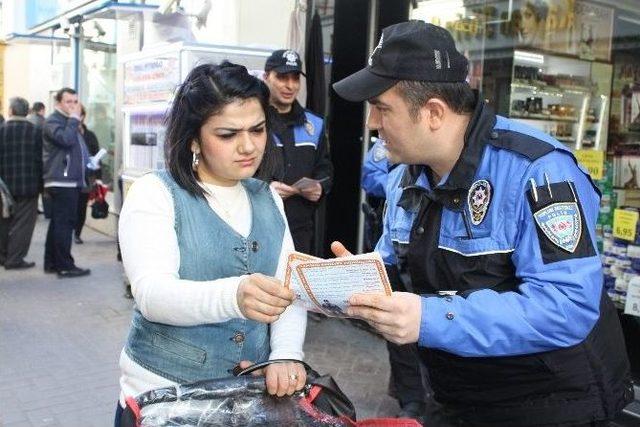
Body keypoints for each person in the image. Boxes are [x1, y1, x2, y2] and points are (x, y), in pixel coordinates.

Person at [332, 21, 632, 426]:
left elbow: (567, 307)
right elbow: (396, 262)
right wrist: (352, 282)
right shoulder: (405, 176)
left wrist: (430, 318)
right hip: (454, 394)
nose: (372, 123)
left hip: (550, 403)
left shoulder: (539, 171)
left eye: (382, 108)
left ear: (433, 112)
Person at [115, 62, 307, 425]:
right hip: (164, 397)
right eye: (227, 134)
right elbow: (153, 295)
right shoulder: (155, 194)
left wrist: (285, 354)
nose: (248, 146)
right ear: (193, 138)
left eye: (258, 129)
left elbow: (289, 290)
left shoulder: (268, 197)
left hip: (245, 399)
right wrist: (235, 295)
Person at [262, 49, 333, 254]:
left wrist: (320, 186)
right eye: (282, 77)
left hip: (301, 229)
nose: (290, 85)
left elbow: (325, 168)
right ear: (266, 77)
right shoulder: (255, 122)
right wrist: (265, 188)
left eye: (295, 78)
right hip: (261, 226)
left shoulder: (315, 123)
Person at [42, 87, 91, 278]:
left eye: (75, 102)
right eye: (68, 102)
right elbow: (65, 139)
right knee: (64, 224)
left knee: (57, 223)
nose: (73, 106)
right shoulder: (54, 121)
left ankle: (52, 262)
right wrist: (73, 120)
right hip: (62, 181)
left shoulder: (66, 121)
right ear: (58, 104)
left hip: (68, 180)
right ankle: (64, 265)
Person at [0, 97, 42, 270]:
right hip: (28, 185)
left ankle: (2, 255)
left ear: (11, 111)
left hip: (4, 187)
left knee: (4, 222)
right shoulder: (35, 130)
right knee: (23, 224)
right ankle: (15, 258)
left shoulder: (2, 130)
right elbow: (41, 160)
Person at [74, 104, 102, 244]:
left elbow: (97, 153)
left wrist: (99, 176)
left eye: (80, 115)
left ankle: (77, 233)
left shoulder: (90, 135)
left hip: (87, 177)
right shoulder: (69, 133)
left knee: (81, 206)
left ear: (83, 116)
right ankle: (70, 231)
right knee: (72, 206)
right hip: (71, 178)